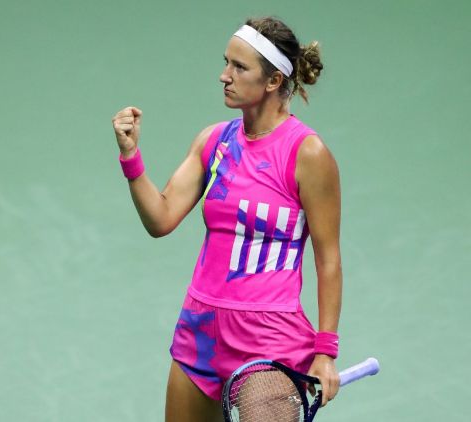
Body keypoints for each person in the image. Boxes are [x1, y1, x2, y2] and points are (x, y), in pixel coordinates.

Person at [112, 16, 342, 422]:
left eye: (239, 67)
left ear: (272, 82)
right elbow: (160, 218)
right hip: (200, 334)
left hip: (268, 344)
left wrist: (325, 351)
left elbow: (328, 259)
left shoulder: (307, 153)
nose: (224, 76)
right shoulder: (214, 140)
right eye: (226, 63)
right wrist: (131, 158)